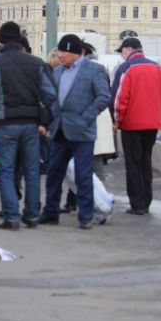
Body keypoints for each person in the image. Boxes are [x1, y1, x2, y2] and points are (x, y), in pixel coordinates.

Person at [0, 21, 57, 231]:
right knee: (32, 170)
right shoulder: (37, 64)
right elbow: (51, 95)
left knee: (6, 170)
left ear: (1, 40)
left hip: (4, 124)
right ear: (20, 38)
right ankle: (32, 215)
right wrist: (42, 117)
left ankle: (11, 217)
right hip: (31, 125)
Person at [39, 34, 111, 230]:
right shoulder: (58, 72)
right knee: (54, 173)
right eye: (59, 51)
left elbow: (103, 97)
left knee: (83, 175)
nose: (60, 55)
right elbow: (51, 97)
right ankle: (51, 212)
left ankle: (86, 215)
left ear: (75, 53)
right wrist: (52, 117)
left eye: (64, 52)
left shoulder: (94, 70)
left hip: (82, 132)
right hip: (60, 130)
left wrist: (86, 117)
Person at [112, 37, 161, 215]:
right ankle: (146, 200)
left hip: (131, 124)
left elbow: (118, 99)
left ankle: (137, 204)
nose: (121, 55)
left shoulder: (126, 68)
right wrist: (155, 112)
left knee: (133, 163)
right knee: (146, 161)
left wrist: (116, 120)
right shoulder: (156, 67)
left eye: (122, 51)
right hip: (152, 124)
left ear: (129, 49)